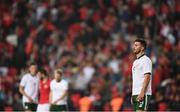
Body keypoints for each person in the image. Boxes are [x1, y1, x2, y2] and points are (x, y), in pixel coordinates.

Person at [131, 39, 152, 111]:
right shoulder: (135, 62)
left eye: (136, 45)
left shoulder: (146, 60)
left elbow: (147, 77)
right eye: (134, 45)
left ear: (142, 48)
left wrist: (142, 92)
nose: (134, 47)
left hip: (143, 93)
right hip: (135, 93)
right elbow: (136, 80)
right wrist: (133, 94)